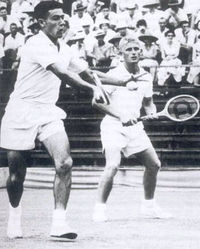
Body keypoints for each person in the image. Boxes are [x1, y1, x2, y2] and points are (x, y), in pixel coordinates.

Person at [0, 1, 110, 240]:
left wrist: (123, 81)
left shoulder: (65, 47)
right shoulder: (34, 43)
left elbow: (87, 71)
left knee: (64, 163)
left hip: (48, 111)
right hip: (21, 111)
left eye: (64, 18)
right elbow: (63, 73)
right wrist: (93, 89)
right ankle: (15, 214)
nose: (62, 22)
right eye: (56, 18)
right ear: (41, 22)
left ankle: (59, 224)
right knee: (17, 175)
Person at [92, 37, 171, 222]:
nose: (134, 52)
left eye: (137, 49)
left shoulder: (146, 76)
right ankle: (100, 208)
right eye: (129, 49)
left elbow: (148, 103)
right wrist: (121, 115)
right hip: (113, 126)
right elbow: (96, 102)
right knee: (112, 165)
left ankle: (148, 207)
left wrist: (151, 113)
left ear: (141, 52)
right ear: (121, 53)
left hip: (135, 128)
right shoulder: (113, 75)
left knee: (154, 164)